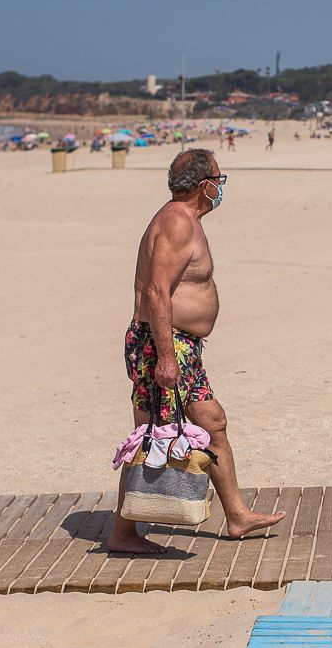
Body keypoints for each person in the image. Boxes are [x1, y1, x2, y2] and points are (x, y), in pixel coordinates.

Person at [109, 148, 286, 553]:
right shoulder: (176, 222)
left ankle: (237, 516)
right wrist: (166, 357)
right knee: (153, 434)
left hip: (181, 345)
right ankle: (122, 533)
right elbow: (157, 291)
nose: (220, 189)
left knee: (211, 424)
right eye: (218, 181)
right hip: (162, 344)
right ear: (203, 186)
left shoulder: (186, 220)